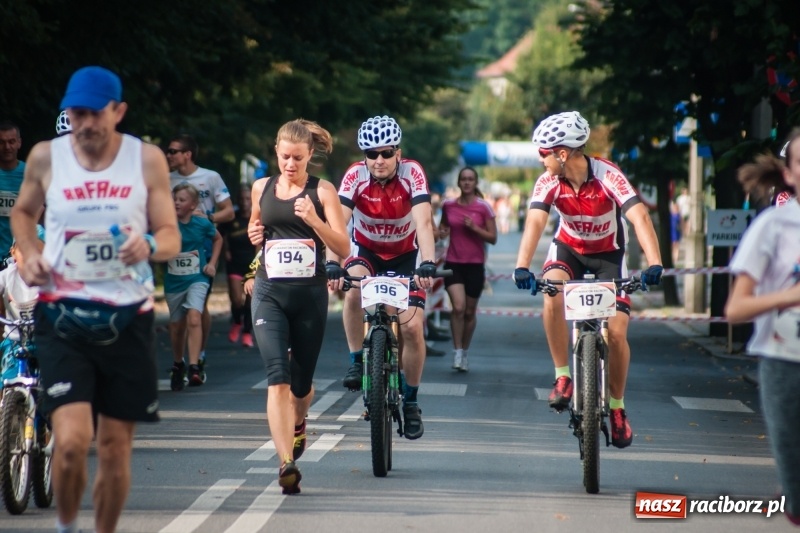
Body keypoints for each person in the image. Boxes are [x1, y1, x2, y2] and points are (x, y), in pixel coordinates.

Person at [10, 66, 180, 533]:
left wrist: (148, 244)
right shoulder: (46, 156)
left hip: (128, 317)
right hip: (62, 313)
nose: (84, 123)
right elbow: (23, 214)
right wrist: (30, 254)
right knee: (70, 442)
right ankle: (67, 526)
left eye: (94, 114)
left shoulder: (145, 160)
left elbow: (169, 235)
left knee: (113, 448)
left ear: (118, 111)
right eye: (76, 113)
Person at [514, 111, 663, 449]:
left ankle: (617, 408)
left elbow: (639, 216)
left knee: (618, 333)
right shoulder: (548, 182)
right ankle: (563, 376)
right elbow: (535, 223)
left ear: (562, 153)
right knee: (551, 290)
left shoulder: (608, 174)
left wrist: (655, 262)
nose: (541, 160)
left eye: (544, 153)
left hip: (609, 254)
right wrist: (522, 266)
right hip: (570, 251)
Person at [246, 119, 349, 495]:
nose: (291, 165)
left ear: (310, 157)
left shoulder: (322, 191)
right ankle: (285, 462)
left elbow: (343, 248)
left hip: (309, 297)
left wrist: (314, 220)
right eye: (285, 157)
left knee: (301, 387)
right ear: (276, 152)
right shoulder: (262, 187)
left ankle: (299, 422)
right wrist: (253, 233)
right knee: (278, 378)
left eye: (299, 158)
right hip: (269, 293)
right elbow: (256, 228)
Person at [326, 115, 437, 441]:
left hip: (406, 256)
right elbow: (337, 225)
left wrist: (427, 263)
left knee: (413, 328)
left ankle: (412, 402)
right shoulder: (354, 176)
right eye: (371, 154)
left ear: (398, 153)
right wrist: (332, 263)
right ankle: (356, 361)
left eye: (386, 153)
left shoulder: (412, 173)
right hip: (367, 252)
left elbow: (424, 223)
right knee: (353, 291)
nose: (379, 160)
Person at [725, 129, 800, 527]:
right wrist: (791, 296)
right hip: (786, 363)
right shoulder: (773, 227)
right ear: (789, 174)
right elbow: (736, 308)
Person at [167, 134, 234, 377]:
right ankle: (181, 358)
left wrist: (207, 219)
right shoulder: (166, 179)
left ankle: (198, 355)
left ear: (187, 154)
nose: (169, 155)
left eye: (173, 151)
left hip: (203, 242)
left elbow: (228, 211)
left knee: (198, 307)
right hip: (176, 246)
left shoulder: (210, 177)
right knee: (179, 317)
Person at [438, 166, 497, 371]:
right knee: (459, 308)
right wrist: (442, 232)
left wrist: (475, 228)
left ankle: (465, 350)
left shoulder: (484, 208)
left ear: (476, 182)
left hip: (475, 265)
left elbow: (493, 238)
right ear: (459, 182)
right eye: (463, 179)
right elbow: (443, 228)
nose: (467, 182)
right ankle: (457, 352)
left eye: (470, 179)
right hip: (453, 263)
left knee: (470, 313)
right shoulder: (449, 206)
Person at [166, 182, 222, 390]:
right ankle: (178, 363)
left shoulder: (201, 223)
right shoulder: (167, 224)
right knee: (176, 326)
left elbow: (218, 239)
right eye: (174, 199)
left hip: (197, 278)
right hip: (174, 281)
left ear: (193, 204)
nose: (177, 203)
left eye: (182, 200)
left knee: (194, 316)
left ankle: (194, 366)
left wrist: (212, 264)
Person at [0, 225, 44, 385]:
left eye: (37, 250)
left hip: (45, 339)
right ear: (13, 252)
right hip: (15, 340)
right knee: (7, 378)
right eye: (24, 249)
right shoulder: (7, 275)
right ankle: (5, 407)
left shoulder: (50, 277)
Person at [220, 184, 256, 347]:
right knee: (236, 300)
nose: (244, 202)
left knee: (250, 301)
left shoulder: (257, 217)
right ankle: (236, 322)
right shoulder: (231, 218)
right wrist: (225, 250)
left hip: (252, 264)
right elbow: (221, 236)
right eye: (241, 199)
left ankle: (247, 332)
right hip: (234, 262)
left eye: (248, 198)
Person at [0, 120, 25, 261]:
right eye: (1, 142)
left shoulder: (30, 174)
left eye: (11, 141)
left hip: (21, 258)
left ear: (19, 143)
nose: (7, 147)